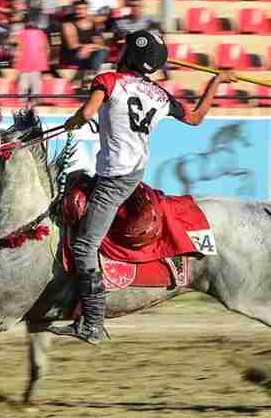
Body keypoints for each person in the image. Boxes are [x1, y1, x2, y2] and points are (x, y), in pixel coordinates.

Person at [50, 30, 231, 344]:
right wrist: (215, 82)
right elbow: (196, 118)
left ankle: (92, 323)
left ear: (128, 57)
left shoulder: (108, 81)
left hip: (114, 180)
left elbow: (88, 112)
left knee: (84, 246)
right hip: (132, 173)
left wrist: (74, 122)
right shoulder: (161, 96)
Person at [61, 0, 109, 84]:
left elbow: (101, 44)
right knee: (97, 52)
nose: (79, 11)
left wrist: (88, 47)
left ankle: (93, 77)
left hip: (89, 53)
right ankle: (93, 78)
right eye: (77, 9)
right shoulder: (68, 24)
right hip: (73, 54)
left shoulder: (92, 23)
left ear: (87, 10)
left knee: (103, 51)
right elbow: (72, 45)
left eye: (82, 9)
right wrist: (86, 47)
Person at [13, 19, 50, 98]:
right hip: (38, 63)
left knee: (23, 82)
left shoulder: (22, 33)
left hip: (24, 63)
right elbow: (47, 48)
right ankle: (36, 100)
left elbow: (18, 47)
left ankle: (22, 100)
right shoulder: (42, 34)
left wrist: (16, 60)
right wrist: (46, 59)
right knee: (36, 82)